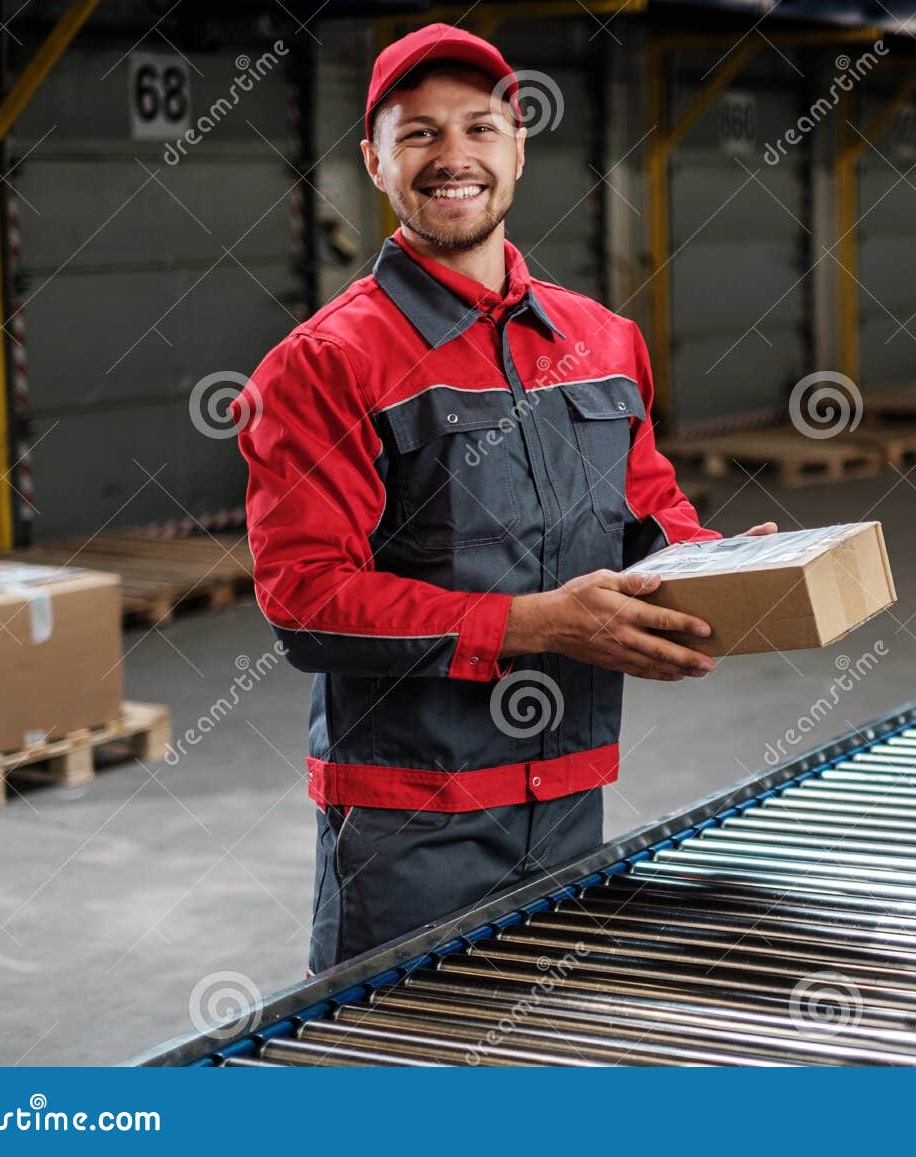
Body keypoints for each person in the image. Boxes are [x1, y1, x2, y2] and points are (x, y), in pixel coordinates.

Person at [234, 23, 775, 974]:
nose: (454, 158)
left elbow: (651, 514)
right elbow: (307, 602)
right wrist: (534, 624)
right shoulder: (325, 364)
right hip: (411, 826)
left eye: (480, 128)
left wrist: (728, 569)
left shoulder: (601, 341)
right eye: (419, 134)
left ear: (518, 147)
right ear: (374, 161)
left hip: (572, 798)